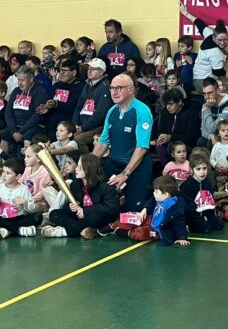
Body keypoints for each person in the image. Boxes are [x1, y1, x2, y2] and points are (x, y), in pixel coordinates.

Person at [92, 72, 154, 215]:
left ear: (130, 89)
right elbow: (103, 142)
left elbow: (142, 147)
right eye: (112, 88)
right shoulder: (112, 111)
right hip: (114, 163)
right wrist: (89, 165)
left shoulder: (142, 111)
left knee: (132, 210)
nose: (114, 92)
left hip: (136, 168)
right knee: (104, 203)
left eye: (118, 88)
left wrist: (125, 174)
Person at [41, 154, 121, 238]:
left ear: (89, 169)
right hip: (81, 218)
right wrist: (71, 206)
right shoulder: (75, 184)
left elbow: (111, 208)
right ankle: (81, 229)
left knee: (95, 218)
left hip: (97, 216)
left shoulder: (106, 186)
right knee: (54, 213)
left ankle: (64, 231)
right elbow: (73, 205)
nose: (76, 169)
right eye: (77, 166)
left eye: (80, 167)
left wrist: (85, 211)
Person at [180, 3, 228, 86]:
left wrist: (185, 13)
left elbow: (199, 23)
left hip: (199, 77)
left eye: (225, 39)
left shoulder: (209, 34)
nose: (222, 42)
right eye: (219, 40)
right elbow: (219, 73)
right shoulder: (215, 52)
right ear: (214, 37)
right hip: (202, 81)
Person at [4, 66, 49, 151]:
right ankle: (2, 158)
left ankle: (28, 158)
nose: (19, 83)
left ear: (31, 79)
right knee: (4, 135)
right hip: (16, 127)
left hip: (33, 126)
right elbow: (8, 113)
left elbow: (38, 115)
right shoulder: (16, 91)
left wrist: (21, 132)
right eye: (18, 80)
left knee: (27, 136)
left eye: (22, 80)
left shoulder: (40, 91)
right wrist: (13, 131)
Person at [73, 59, 114, 149]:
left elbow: (101, 113)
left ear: (101, 72)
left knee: (78, 140)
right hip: (82, 125)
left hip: (97, 127)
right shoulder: (87, 85)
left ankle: (88, 158)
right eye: (88, 68)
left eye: (93, 69)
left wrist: (83, 128)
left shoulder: (106, 87)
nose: (89, 71)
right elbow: (79, 106)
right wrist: (75, 123)